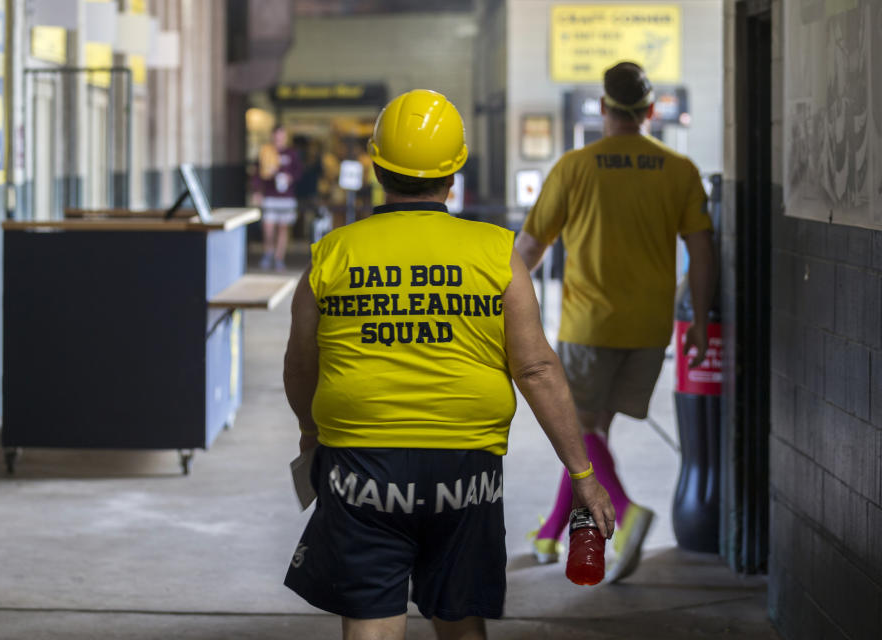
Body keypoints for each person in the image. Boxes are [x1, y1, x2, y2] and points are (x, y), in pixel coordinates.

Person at [283, 89, 616, 640]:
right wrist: (583, 476)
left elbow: (301, 363)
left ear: (376, 167)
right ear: (454, 174)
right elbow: (535, 369)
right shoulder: (495, 253)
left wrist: (310, 434)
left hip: (362, 465)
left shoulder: (332, 254)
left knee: (370, 622)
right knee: (460, 618)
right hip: (467, 468)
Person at [516, 62, 716, 583]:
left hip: (589, 327)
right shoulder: (680, 170)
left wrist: (505, 308)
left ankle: (625, 512)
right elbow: (701, 246)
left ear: (604, 108)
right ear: (651, 111)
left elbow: (530, 247)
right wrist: (696, 320)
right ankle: (556, 535)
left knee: (579, 434)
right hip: (649, 330)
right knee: (593, 434)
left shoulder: (576, 167)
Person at [252, 125, 303, 271]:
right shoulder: (265, 152)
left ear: (285, 137)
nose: (279, 139)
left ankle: (279, 257)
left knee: (283, 227)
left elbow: (298, 171)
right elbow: (257, 174)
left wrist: (290, 177)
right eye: (276, 136)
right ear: (272, 136)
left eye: (281, 136)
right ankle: (268, 252)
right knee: (268, 227)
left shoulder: (291, 153)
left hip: (286, 197)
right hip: (270, 195)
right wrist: (257, 191)